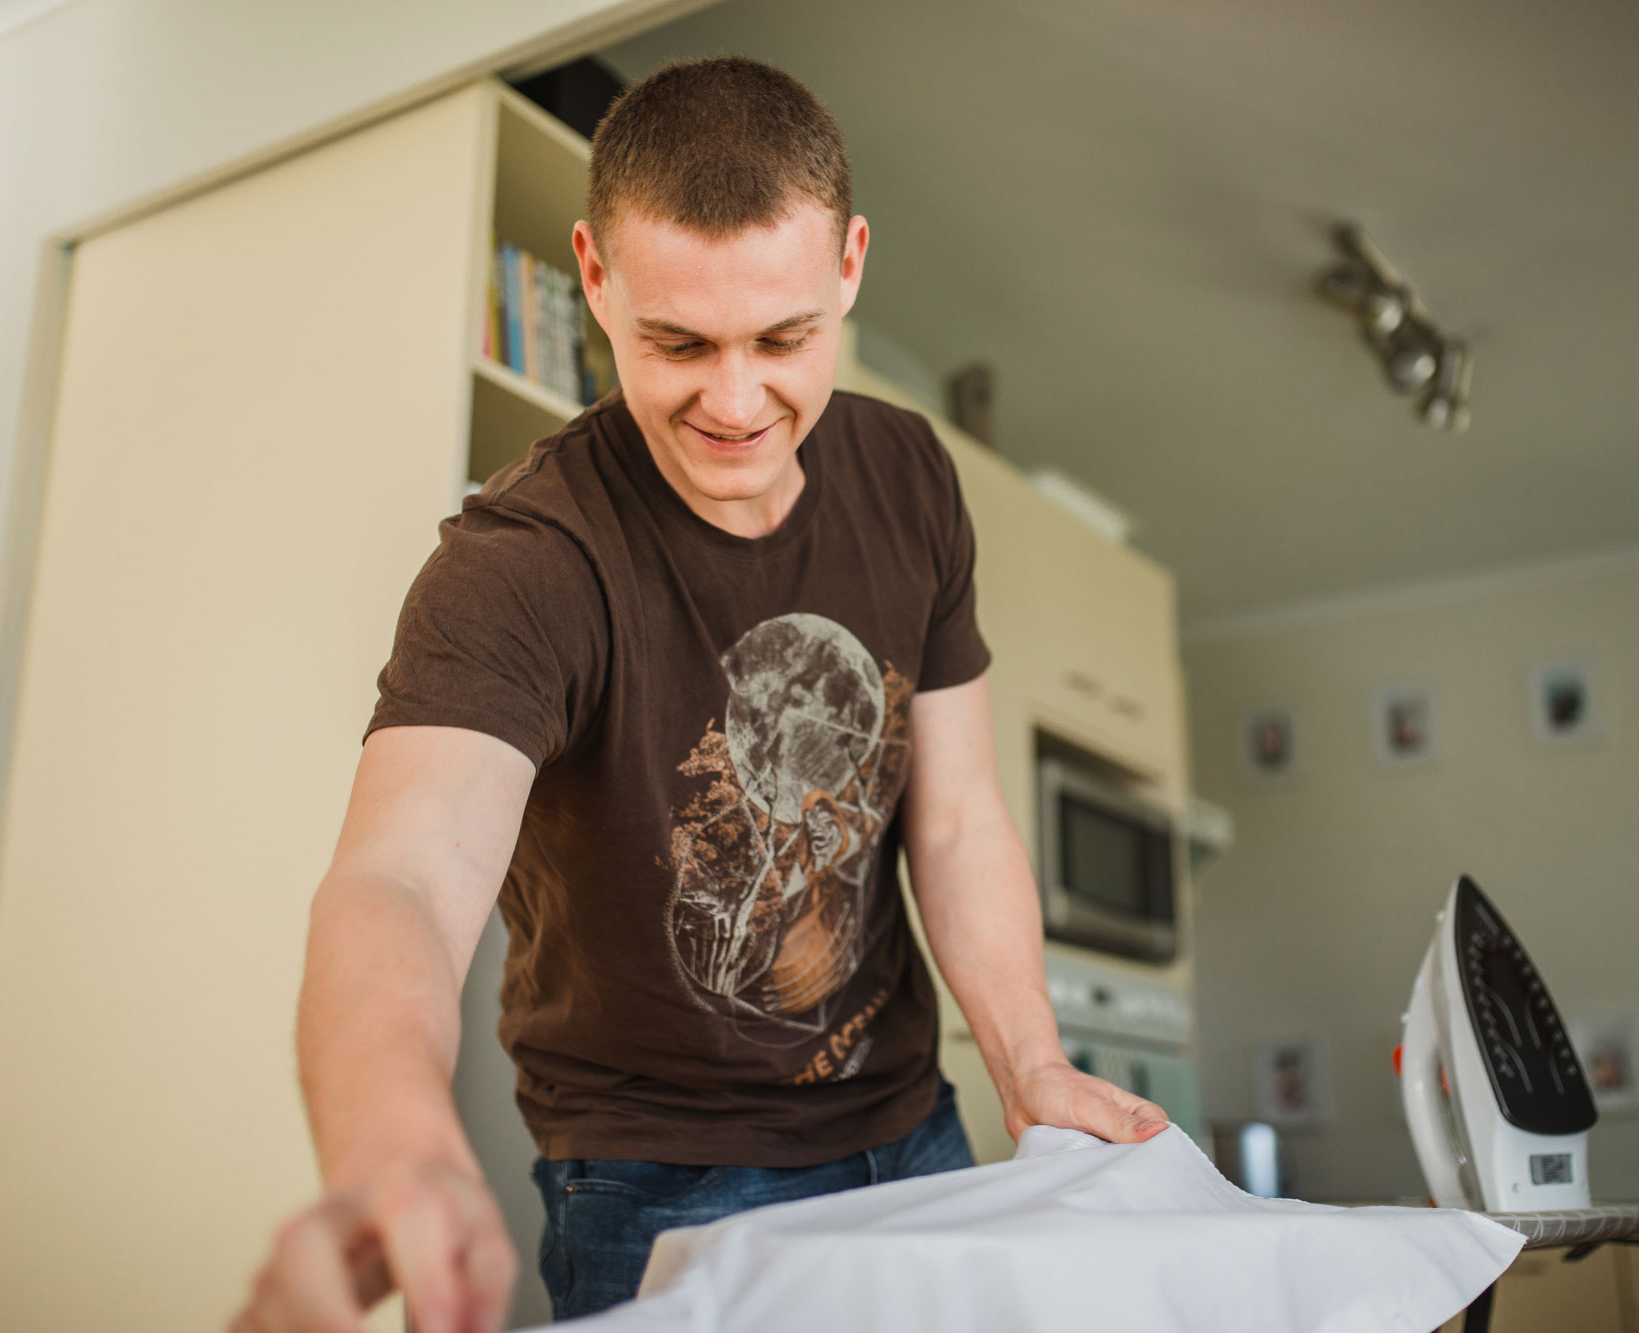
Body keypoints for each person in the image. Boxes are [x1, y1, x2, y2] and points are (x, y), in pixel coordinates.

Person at [231, 56, 1167, 1333]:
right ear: (594, 276)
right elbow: (399, 875)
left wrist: (1031, 1062)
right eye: (677, 343)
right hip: (651, 1177)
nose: (734, 403)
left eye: (782, 339)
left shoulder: (909, 479)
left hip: (910, 1129)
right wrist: (395, 1147)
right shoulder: (520, 564)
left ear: (848, 267)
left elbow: (951, 818)